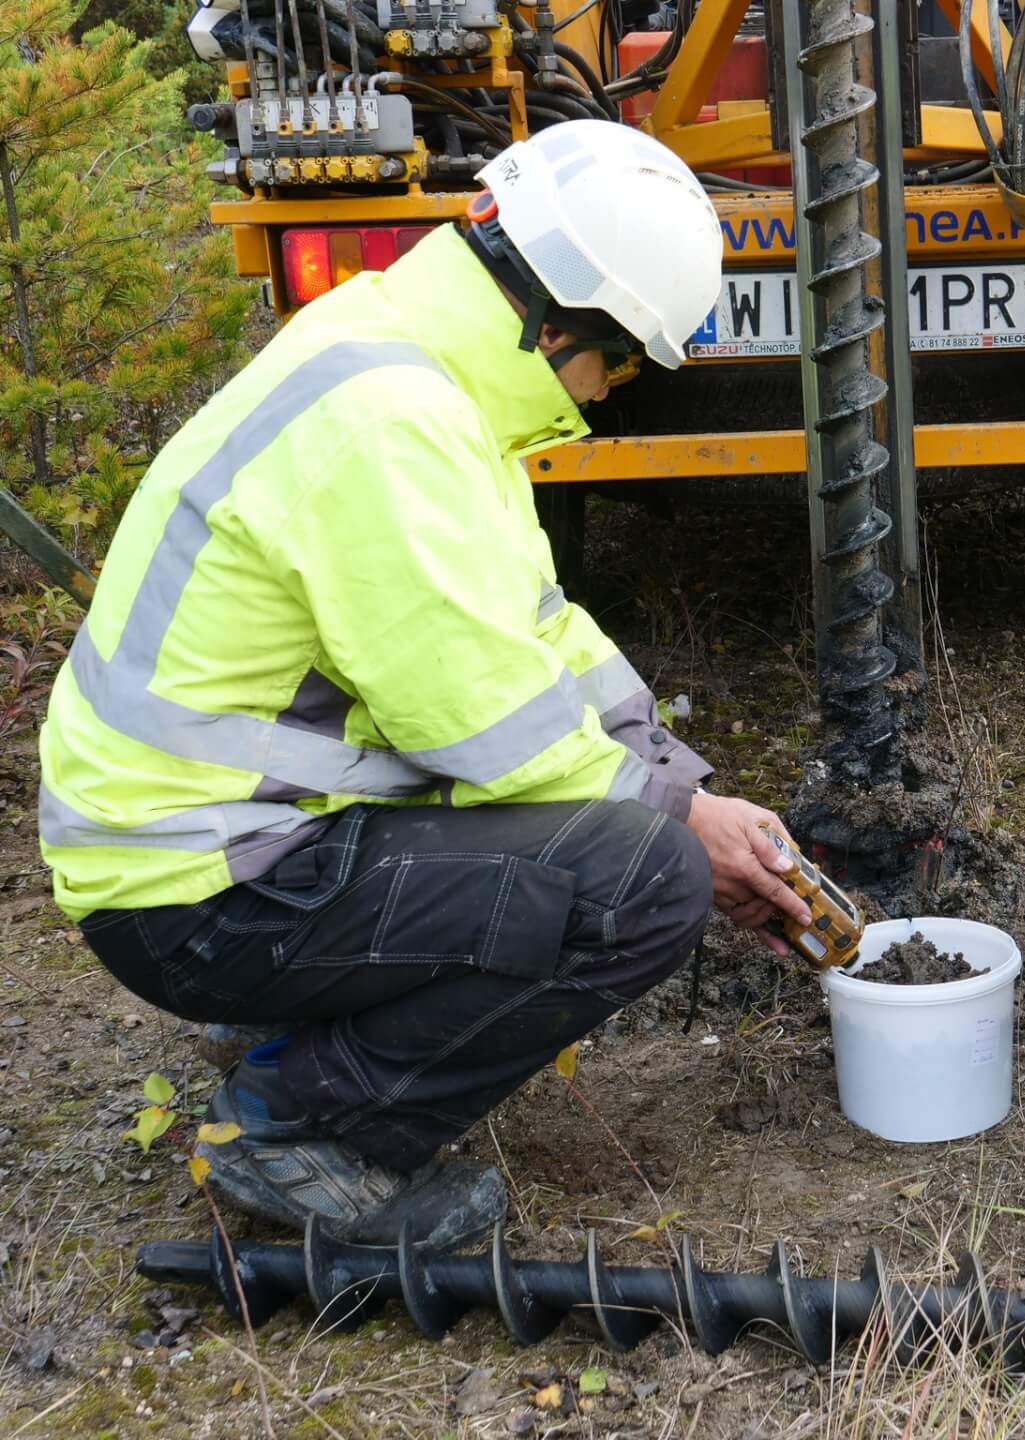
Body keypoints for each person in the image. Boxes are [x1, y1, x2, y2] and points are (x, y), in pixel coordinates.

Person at [37, 121, 814, 1248]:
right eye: (622, 361)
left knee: (641, 834)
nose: (609, 392)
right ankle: (297, 1129)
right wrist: (682, 825)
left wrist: (685, 781)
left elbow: (538, 638)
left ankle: (302, 1032)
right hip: (194, 894)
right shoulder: (394, 425)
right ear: (556, 329)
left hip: (204, 850)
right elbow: (490, 730)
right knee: (640, 882)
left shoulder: (407, 364)